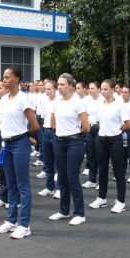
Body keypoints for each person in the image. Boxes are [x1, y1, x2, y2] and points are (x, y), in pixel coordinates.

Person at [0, 67, 39, 239]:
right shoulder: (4, 100)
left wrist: (26, 137)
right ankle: (12, 221)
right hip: (7, 145)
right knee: (11, 184)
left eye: (7, 77)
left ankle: (25, 225)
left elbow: (35, 126)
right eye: (3, 77)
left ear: (17, 79)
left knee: (23, 185)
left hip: (20, 144)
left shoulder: (23, 99)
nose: (4, 80)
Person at [48, 73, 89, 225]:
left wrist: (72, 132)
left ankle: (79, 213)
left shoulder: (78, 103)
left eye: (62, 84)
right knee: (62, 177)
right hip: (59, 142)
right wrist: (63, 131)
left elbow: (86, 127)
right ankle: (63, 211)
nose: (59, 87)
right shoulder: (56, 103)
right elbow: (52, 124)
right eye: (58, 84)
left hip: (74, 143)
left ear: (71, 86)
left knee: (72, 177)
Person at [89, 79, 130, 213]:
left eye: (106, 89)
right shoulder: (99, 105)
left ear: (113, 89)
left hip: (115, 140)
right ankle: (102, 198)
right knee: (102, 170)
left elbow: (128, 124)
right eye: (102, 89)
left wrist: (116, 131)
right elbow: (98, 122)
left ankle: (121, 201)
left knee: (118, 171)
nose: (103, 91)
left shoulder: (119, 105)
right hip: (102, 140)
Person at [37, 79, 59, 197]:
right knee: (48, 161)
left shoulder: (59, 101)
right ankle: (49, 187)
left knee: (58, 161)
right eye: (46, 89)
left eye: (49, 89)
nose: (47, 91)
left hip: (55, 132)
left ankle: (59, 188)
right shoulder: (45, 101)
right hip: (46, 131)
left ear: (55, 89)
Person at [82, 81, 102, 189]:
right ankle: (92, 179)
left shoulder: (103, 100)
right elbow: (86, 114)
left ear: (98, 89)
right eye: (89, 88)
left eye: (93, 88)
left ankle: (101, 181)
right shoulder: (87, 101)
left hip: (100, 128)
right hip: (90, 128)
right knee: (91, 155)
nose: (90, 90)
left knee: (100, 155)